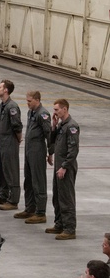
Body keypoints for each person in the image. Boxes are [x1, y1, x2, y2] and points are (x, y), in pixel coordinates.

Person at [47, 98, 80, 240]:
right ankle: (59, 224)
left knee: (66, 197)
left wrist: (64, 167)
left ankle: (69, 228)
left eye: (56, 109)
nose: (54, 112)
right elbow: (52, 140)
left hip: (65, 167)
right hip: (59, 166)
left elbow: (73, 150)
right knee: (57, 196)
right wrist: (54, 126)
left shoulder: (72, 126)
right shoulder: (61, 125)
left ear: (64, 109)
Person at [18, 90, 52, 224]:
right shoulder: (30, 112)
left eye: (29, 101)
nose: (27, 103)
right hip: (29, 150)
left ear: (37, 100)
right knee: (29, 180)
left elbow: (48, 134)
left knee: (38, 181)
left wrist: (50, 152)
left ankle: (41, 212)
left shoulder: (42, 114)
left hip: (38, 150)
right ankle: (30, 208)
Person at [0, 79, 23, 210]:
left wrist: (17, 140)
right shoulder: (2, 105)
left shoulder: (12, 107)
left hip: (9, 141)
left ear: (6, 90)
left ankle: (13, 200)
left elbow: (17, 127)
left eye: (0, 87)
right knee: (1, 169)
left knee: (11, 170)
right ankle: (3, 195)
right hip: (2, 140)